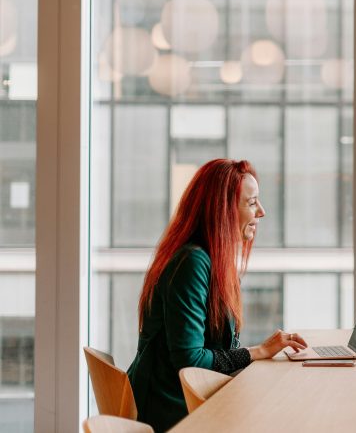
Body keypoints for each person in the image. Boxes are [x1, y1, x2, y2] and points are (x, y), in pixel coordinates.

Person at [127, 159, 307, 432]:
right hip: (175, 410)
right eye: (251, 203)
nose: (261, 211)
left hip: (190, 400)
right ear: (222, 210)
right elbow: (190, 361)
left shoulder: (211, 260)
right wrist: (258, 351)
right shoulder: (192, 262)